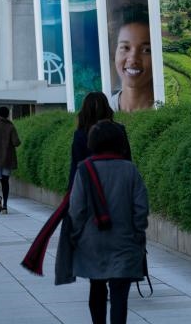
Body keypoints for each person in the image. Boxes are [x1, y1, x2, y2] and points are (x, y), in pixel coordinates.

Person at [70, 120, 149, 324]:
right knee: (119, 295)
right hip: (124, 241)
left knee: (96, 288)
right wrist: (138, 233)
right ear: (119, 142)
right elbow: (141, 208)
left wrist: (76, 236)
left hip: (92, 244)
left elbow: (76, 210)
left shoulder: (84, 170)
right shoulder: (130, 170)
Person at [69, 92, 131, 191]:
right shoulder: (119, 129)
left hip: (91, 186)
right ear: (106, 108)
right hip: (118, 184)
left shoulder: (81, 134)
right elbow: (127, 158)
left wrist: (71, 191)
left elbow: (76, 166)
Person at [110, 8, 154, 112]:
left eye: (146, 50)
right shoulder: (103, 112)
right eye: (125, 48)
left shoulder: (169, 111)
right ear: (114, 51)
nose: (133, 59)